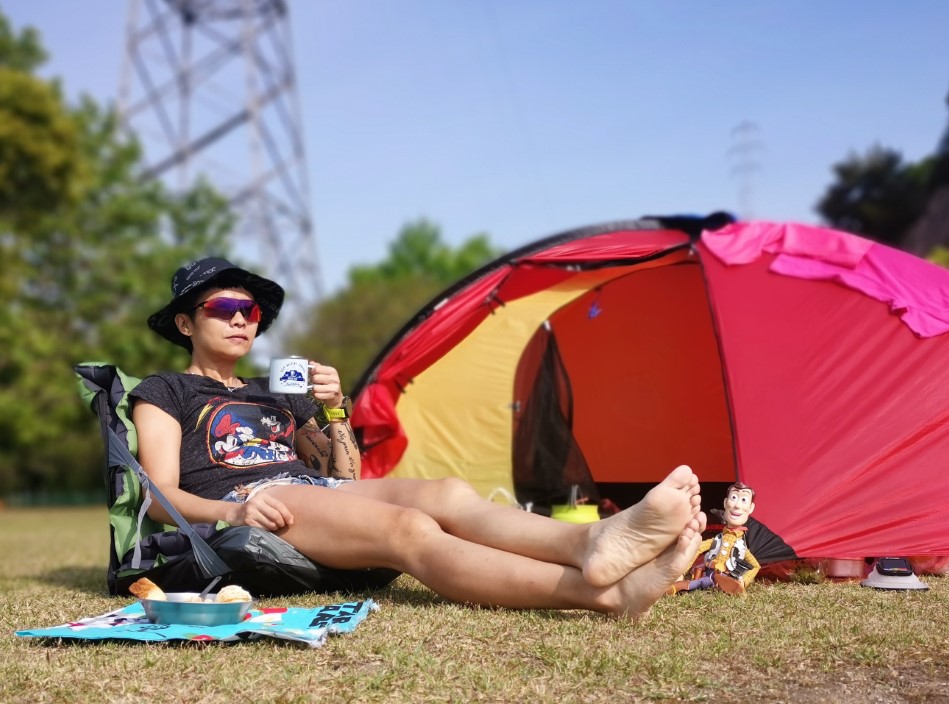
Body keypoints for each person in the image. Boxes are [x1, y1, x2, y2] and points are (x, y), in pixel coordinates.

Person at [131, 257, 705, 619]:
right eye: (223, 307)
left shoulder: (277, 389)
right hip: (256, 502)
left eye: (250, 309)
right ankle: (601, 595)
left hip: (313, 490)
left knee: (450, 493)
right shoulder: (166, 391)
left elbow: (344, 476)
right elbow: (157, 495)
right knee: (409, 530)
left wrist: (333, 410)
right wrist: (234, 511)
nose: (241, 318)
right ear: (186, 323)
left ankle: (593, 545)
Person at [666, 481, 761, 595]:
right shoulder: (717, 539)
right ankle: (677, 585)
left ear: (751, 508)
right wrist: (682, 570)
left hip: (727, 576)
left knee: (707, 583)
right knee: (702, 582)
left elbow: (755, 566)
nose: (737, 505)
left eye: (744, 500)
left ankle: (732, 587)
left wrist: (743, 582)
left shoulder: (741, 547)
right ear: (725, 503)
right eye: (734, 498)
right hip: (711, 574)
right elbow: (698, 548)